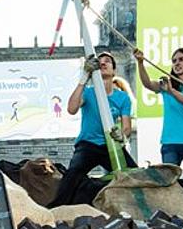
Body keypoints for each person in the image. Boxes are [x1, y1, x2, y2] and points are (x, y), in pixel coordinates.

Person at [49, 52, 137, 207]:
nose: (103, 63)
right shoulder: (89, 92)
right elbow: (71, 108)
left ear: (114, 71)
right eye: (100, 61)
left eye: (108, 61)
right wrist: (84, 77)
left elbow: (127, 127)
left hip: (110, 145)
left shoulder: (122, 98)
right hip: (87, 144)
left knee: (135, 175)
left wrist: (121, 136)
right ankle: (56, 209)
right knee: (73, 174)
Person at [134, 46, 183, 181]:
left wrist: (171, 91)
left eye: (181, 59)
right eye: (174, 61)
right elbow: (148, 84)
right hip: (171, 143)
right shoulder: (165, 85)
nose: (177, 63)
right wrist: (140, 63)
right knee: (169, 184)